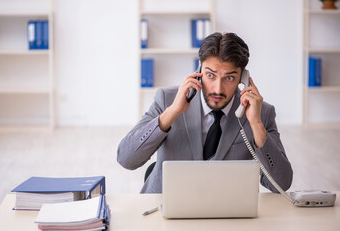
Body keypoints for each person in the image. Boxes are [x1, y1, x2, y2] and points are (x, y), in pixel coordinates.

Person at [117, 32, 293, 193]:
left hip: (227, 214)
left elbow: (282, 183)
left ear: (243, 78)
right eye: (211, 75)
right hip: (165, 209)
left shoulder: (261, 113)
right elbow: (126, 159)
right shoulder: (166, 100)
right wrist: (172, 112)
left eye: (229, 78)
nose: (218, 88)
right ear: (199, 69)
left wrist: (256, 125)